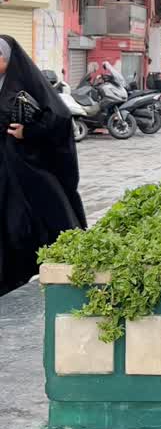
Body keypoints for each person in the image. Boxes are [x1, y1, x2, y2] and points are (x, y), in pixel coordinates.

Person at [0, 36, 86, 297]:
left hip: (26, 167)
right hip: (3, 170)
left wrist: (29, 131)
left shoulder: (26, 83)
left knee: (33, 220)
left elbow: (59, 117)